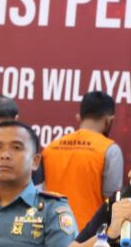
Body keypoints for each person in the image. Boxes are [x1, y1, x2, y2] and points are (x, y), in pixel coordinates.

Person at [42, 90, 123, 229]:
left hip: (51, 230)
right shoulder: (110, 150)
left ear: (79, 117)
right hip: (88, 234)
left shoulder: (50, 148)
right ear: (109, 120)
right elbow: (113, 202)